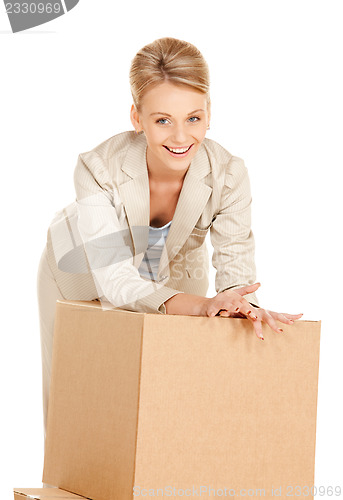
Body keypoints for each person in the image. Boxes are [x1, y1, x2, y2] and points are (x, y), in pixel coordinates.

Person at [37, 36, 302, 446]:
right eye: (163, 120)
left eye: (193, 118)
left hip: (176, 273)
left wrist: (241, 306)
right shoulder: (96, 167)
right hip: (81, 275)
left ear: (209, 114)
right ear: (136, 117)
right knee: (81, 398)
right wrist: (201, 306)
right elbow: (116, 282)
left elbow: (236, 271)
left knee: (166, 398)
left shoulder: (229, 174)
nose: (181, 137)